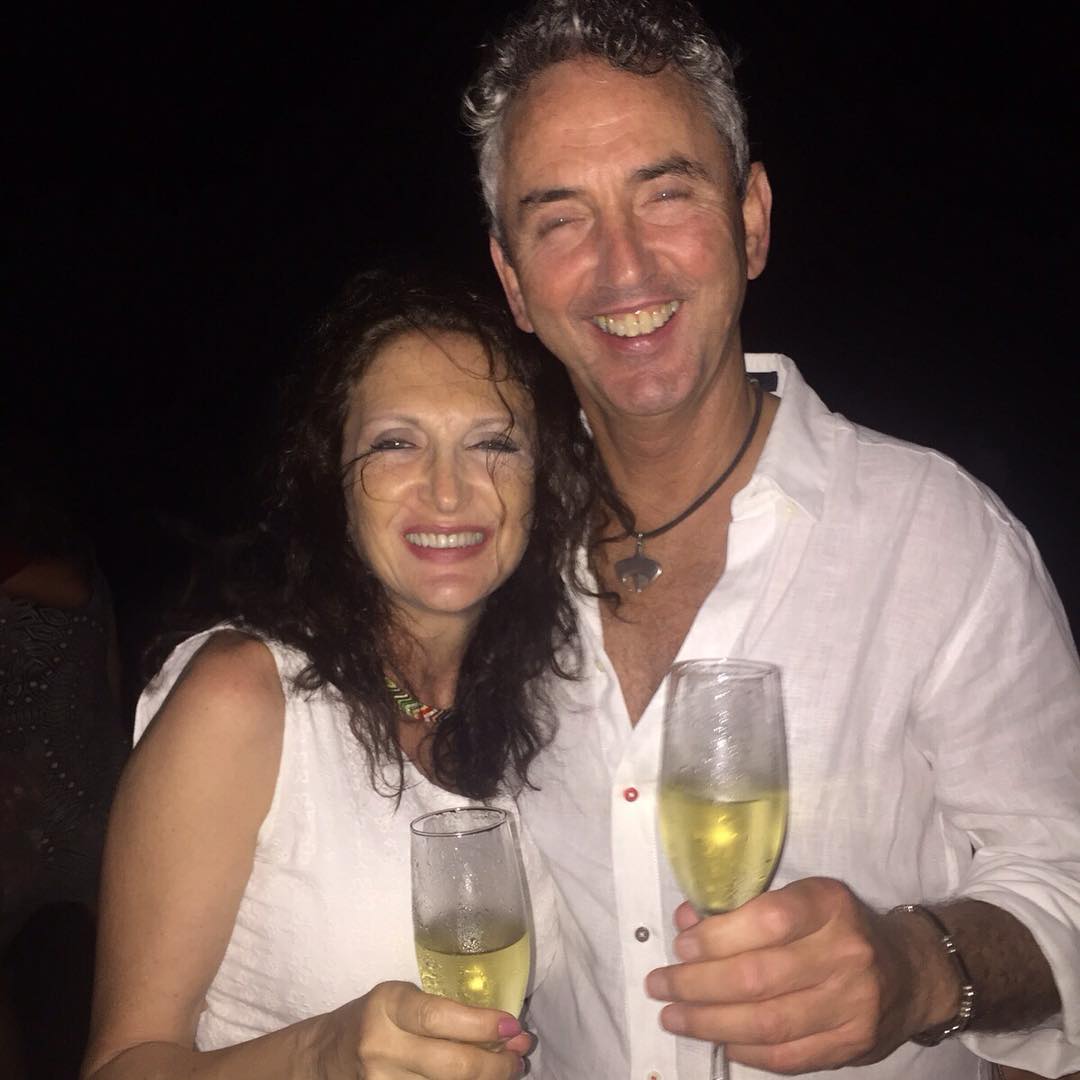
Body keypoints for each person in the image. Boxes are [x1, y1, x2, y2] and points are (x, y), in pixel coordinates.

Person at [461, 1, 1080, 1077]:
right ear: (514, 280)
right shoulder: (482, 561)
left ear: (751, 220)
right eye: (560, 219)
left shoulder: (939, 539)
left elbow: (1068, 879)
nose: (622, 265)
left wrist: (919, 970)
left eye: (666, 193)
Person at [80, 272, 591, 1079]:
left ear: (543, 479)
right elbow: (120, 1065)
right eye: (395, 444)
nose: (449, 491)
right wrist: (321, 1053)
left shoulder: (547, 701)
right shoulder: (242, 696)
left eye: (493, 444)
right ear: (334, 478)